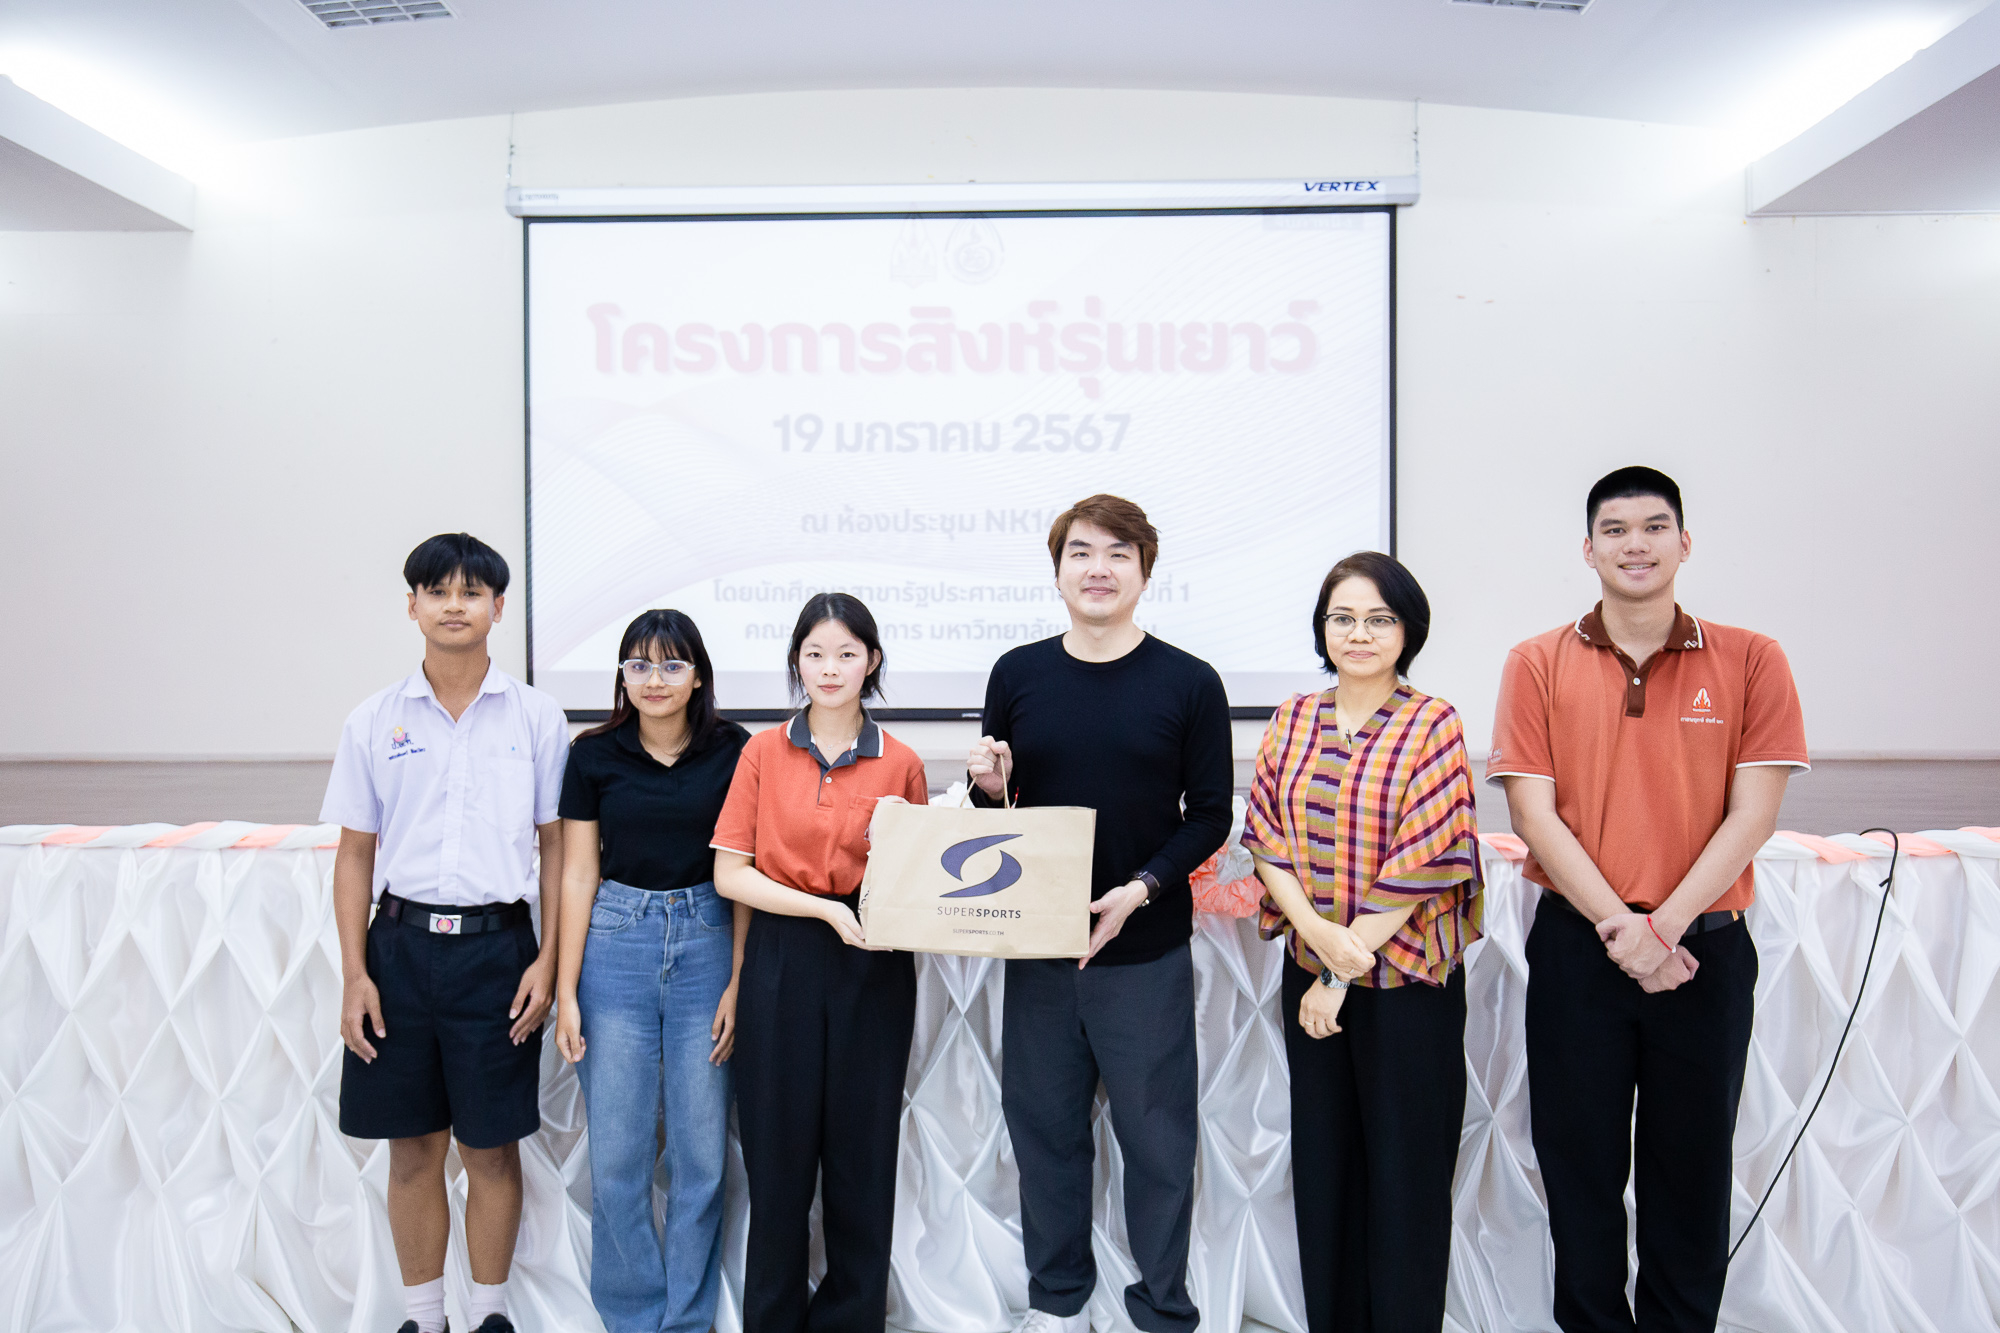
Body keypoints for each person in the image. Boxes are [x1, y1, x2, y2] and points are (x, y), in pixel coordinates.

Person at [1490, 467, 1808, 1333]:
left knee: (1691, 1171)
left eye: (1655, 526)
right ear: (1588, 548)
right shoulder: (1536, 661)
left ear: (1684, 542)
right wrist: (1623, 930)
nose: (1636, 544)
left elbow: (1754, 813)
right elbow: (1533, 814)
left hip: (1705, 950)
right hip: (1578, 949)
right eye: (1617, 530)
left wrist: (1661, 929)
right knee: (1579, 1168)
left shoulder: (1753, 658)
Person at [966, 494, 1234, 1333]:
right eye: (1080, 552)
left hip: (1144, 949)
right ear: (1057, 572)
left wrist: (1141, 887)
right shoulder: (1017, 673)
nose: (1098, 568)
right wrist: (987, 790)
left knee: (1158, 1144)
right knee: (1044, 1134)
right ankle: (1058, 1302)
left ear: (1145, 572)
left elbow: (1210, 814)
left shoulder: (1190, 681)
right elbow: (1000, 817)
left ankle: (1161, 1307)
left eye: (1119, 553)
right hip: (1039, 948)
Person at [325, 533, 569, 1333]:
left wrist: (548, 960)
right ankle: (423, 1317)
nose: (454, 605)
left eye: (471, 592)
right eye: (438, 591)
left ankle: (489, 1314)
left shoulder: (536, 716)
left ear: (498, 606)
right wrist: (355, 973)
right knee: (412, 1146)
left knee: (491, 1147)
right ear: (412, 606)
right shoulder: (374, 719)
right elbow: (355, 853)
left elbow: (558, 848)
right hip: (398, 949)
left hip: (499, 952)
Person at [1242, 551, 1483, 1333]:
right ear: (1322, 628)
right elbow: (1267, 838)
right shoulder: (1293, 718)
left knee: (1407, 1181)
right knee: (1327, 1173)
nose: (1359, 632)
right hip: (1310, 976)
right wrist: (1315, 938)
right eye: (1342, 617)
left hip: (1406, 987)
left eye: (1379, 618)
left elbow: (1428, 854)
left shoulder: (1432, 722)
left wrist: (1340, 971)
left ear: (1408, 630)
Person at [710, 593, 931, 1333]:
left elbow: (914, 877)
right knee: (777, 1156)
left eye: (845, 654)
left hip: (875, 962)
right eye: (814, 654)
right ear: (796, 663)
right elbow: (730, 874)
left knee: (862, 1157)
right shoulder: (762, 752)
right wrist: (825, 910)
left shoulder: (901, 761)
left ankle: (851, 1319)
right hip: (783, 955)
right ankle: (773, 1319)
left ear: (872, 661)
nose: (829, 668)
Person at [552, 610, 751, 1333]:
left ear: (698, 676)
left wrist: (739, 980)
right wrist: (566, 992)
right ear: (622, 676)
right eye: (638, 665)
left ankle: (688, 1319)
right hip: (615, 946)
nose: (654, 679)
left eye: (671, 665)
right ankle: (633, 1317)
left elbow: (744, 872)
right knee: (618, 1159)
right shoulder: (592, 755)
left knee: (701, 1158)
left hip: (708, 940)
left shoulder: (736, 751)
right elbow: (579, 873)